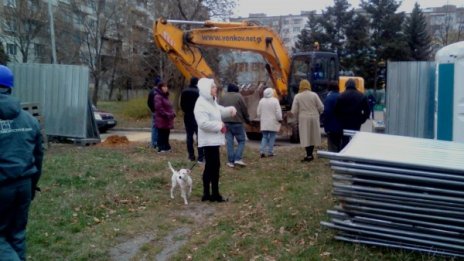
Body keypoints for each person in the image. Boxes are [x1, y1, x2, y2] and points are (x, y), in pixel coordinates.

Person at [0, 65, 44, 261]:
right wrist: (32, 185)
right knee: (17, 234)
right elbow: (38, 155)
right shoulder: (29, 119)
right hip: (24, 185)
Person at [194, 78, 236, 202]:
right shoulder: (201, 103)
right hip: (208, 141)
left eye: (214, 86)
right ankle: (212, 194)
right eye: (212, 87)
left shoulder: (211, 101)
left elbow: (218, 110)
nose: (215, 88)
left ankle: (210, 194)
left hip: (213, 140)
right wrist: (220, 126)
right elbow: (203, 124)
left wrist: (229, 110)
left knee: (212, 167)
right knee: (213, 167)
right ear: (207, 90)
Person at [290, 79, 324, 162]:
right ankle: (310, 154)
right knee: (312, 136)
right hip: (314, 117)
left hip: (304, 117)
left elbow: (294, 110)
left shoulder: (297, 96)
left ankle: (308, 155)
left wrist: (294, 116)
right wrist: (319, 113)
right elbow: (321, 107)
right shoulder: (314, 95)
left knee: (305, 136)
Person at [218, 83, 250, 168]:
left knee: (229, 142)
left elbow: (218, 108)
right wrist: (247, 119)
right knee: (241, 141)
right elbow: (244, 108)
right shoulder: (239, 96)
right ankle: (238, 159)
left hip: (225, 122)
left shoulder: (223, 97)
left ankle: (230, 161)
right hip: (237, 122)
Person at [335, 78, 370, 149]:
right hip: (356, 121)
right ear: (355, 85)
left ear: (346, 85)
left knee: (345, 140)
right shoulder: (361, 96)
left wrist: (340, 119)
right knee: (355, 139)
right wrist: (362, 119)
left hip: (344, 121)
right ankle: (354, 154)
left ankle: (344, 156)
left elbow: (336, 110)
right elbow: (367, 111)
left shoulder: (341, 96)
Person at [180, 77, 204, 163]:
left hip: (188, 115)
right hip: (198, 116)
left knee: (189, 136)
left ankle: (191, 156)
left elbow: (181, 104)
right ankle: (201, 157)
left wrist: (186, 111)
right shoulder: (199, 92)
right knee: (200, 136)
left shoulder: (184, 91)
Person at [257, 87, 282, 158]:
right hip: (273, 122)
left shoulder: (261, 101)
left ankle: (262, 151)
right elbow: (278, 112)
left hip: (264, 122)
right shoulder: (275, 100)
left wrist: (261, 117)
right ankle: (270, 152)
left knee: (264, 137)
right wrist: (280, 119)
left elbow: (258, 113)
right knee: (272, 137)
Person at [154, 81, 176, 153]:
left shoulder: (165, 96)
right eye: (164, 86)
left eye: (166, 86)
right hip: (162, 119)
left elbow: (169, 106)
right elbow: (159, 108)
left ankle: (166, 147)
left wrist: (172, 113)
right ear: (160, 88)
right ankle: (161, 148)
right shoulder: (158, 96)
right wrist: (168, 114)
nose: (166, 88)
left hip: (167, 119)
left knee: (166, 133)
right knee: (162, 134)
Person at [322, 84, 343, 152]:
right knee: (340, 144)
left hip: (331, 126)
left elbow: (327, 112)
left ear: (329, 89)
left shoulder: (329, 98)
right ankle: (340, 160)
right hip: (342, 126)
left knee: (332, 147)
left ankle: (334, 161)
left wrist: (325, 125)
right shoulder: (342, 96)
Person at [147, 77, 160, 149]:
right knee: (156, 128)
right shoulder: (158, 92)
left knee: (154, 127)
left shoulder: (151, 92)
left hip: (154, 112)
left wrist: (152, 110)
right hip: (157, 112)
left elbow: (148, 103)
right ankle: (154, 143)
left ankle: (154, 143)